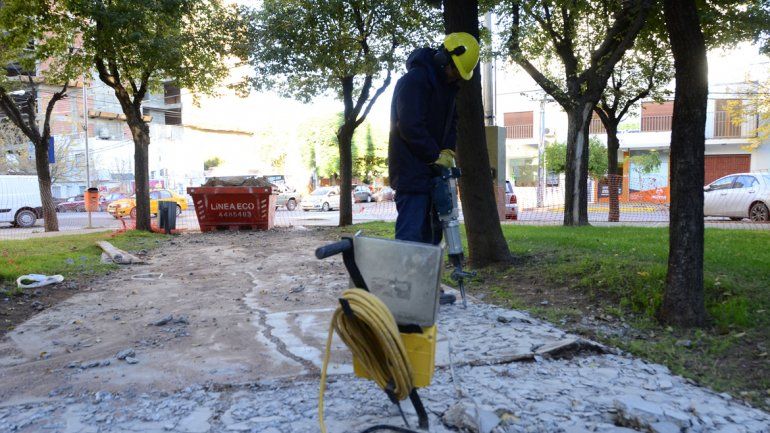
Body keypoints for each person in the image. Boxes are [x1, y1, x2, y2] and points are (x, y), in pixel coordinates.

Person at [388, 32, 480, 304]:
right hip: (411, 170)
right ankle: (404, 294)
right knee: (411, 232)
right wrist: (432, 155)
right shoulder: (414, 82)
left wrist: (448, 151)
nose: (455, 77)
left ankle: (427, 290)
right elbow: (408, 126)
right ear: (443, 59)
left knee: (434, 232)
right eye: (454, 70)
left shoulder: (448, 88)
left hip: (433, 171)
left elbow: (452, 123)